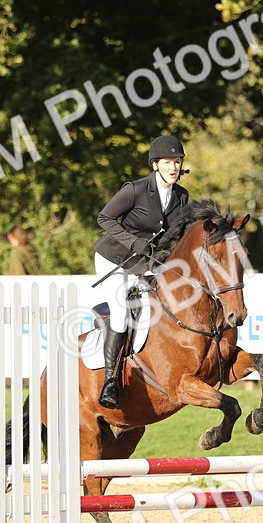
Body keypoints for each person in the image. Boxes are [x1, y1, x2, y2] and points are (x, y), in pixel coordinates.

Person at [93, 134, 190, 408]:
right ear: (155, 164)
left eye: (178, 162)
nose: (174, 167)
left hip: (145, 262)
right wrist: (133, 241)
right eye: (168, 162)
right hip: (114, 257)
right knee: (122, 309)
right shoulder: (135, 190)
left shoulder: (181, 196)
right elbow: (105, 218)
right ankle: (110, 381)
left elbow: (176, 234)